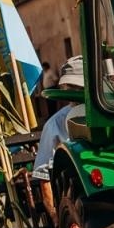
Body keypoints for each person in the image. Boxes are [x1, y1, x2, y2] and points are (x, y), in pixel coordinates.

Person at [30, 56, 85, 215]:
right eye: (72, 87)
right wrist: (54, 215)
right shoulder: (55, 124)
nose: (76, 91)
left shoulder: (110, 111)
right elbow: (44, 174)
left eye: (79, 86)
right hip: (75, 196)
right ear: (65, 88)